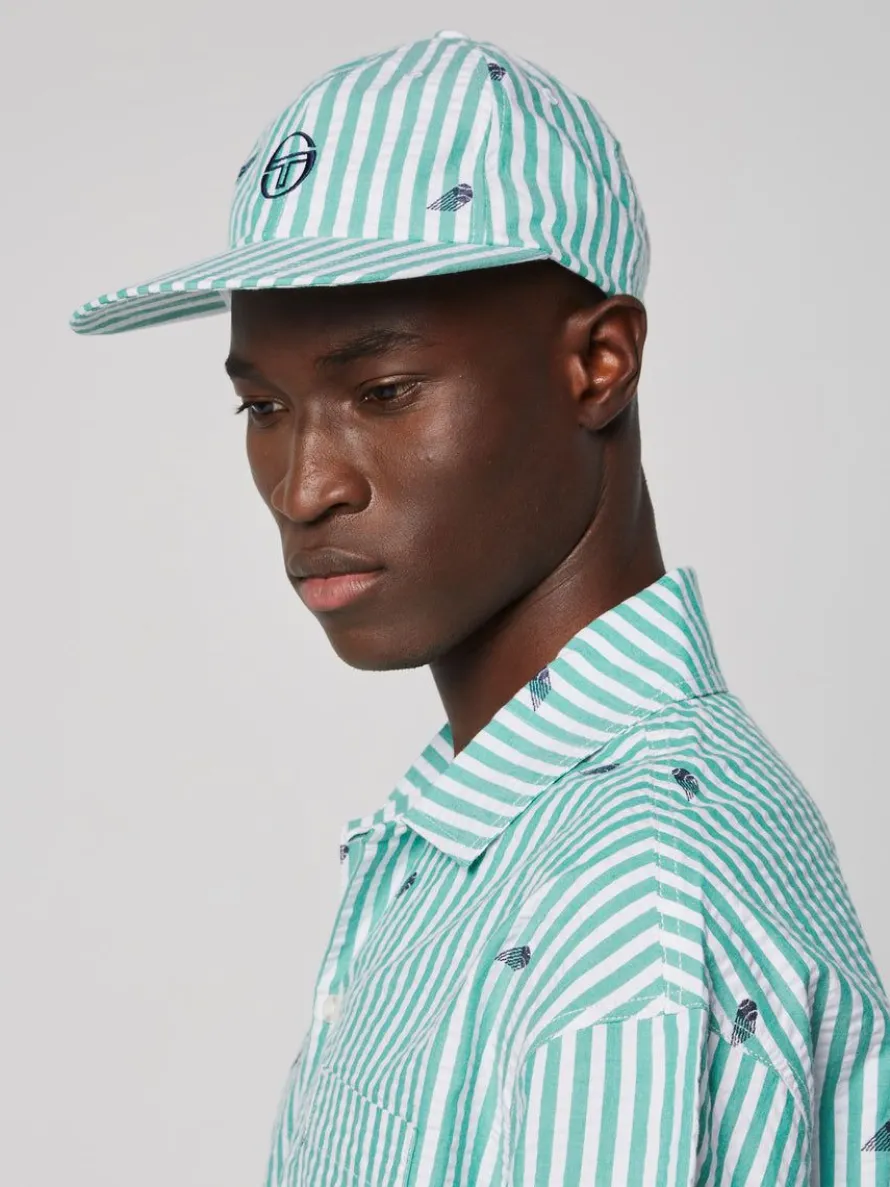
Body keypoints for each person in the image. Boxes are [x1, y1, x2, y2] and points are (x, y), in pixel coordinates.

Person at [69, 28, 890, 1187]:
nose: (304, 487)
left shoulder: (623, 897)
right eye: (264, 408)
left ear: (598, 363)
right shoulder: (506, 830)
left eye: (382, 390)